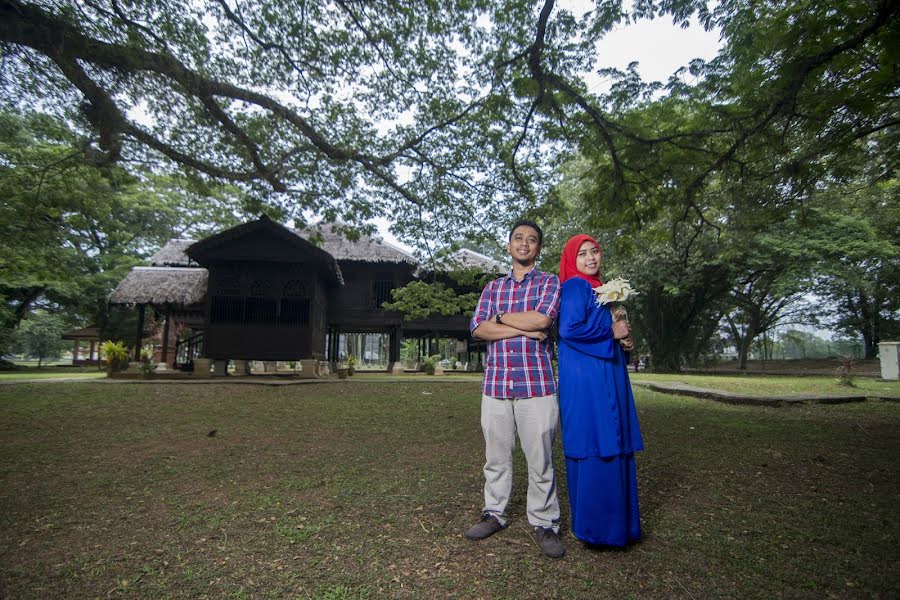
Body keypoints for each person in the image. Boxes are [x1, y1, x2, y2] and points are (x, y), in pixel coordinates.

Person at [465, 219, 565, 559]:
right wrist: (523, 326)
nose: (524, 244)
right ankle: (494, 512)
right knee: (496, 457)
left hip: (537, 385)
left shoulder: (550, 282)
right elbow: (478, 328)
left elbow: (543, 321)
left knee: (541, 459)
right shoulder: (492, 288)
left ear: (538, 248)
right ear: (509, 246)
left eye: (532, 239)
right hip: (496, 385)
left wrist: (503, 318)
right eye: (518, 239)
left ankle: (544, 522)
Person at [556, 234, 644, 547]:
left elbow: (609, 332)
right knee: (596, 439)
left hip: (608, 372)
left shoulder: (599, 289)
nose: (591, 258)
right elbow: (569, 329)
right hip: (587, 378)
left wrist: (624, 342)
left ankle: (620, 525)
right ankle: (597, 529)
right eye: (582, 254)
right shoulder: (575, 287)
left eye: (594, 252)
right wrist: (610, 331)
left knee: (613, 439)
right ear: (571, 259)